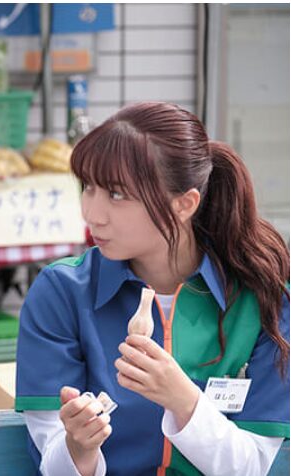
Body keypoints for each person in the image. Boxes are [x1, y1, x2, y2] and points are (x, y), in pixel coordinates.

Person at [15, 101, 289, 475]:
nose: (92, 213)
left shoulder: (266, 298)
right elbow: (53, 462)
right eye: (88, 187)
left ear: (184, 204)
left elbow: (251, 466)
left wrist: (182, 398)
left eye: (116, 194)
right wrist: (78, 449)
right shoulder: (60, 292)